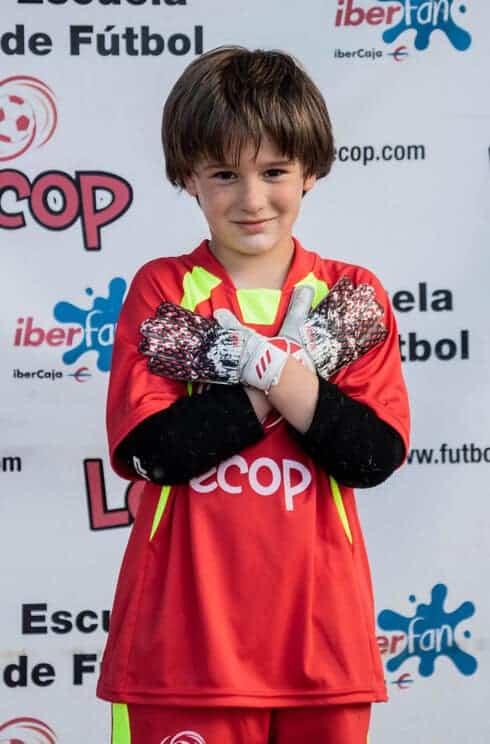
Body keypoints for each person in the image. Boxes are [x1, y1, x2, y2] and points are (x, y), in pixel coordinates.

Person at [97, 46, 410, 744]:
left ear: (311, 171)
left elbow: (371, 454)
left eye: (274, 172)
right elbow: (155, 451)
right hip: (180, 652)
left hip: (320, 648)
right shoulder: (163, 291)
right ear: (188, 178)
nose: (252, 198)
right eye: (224, 174)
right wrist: (280, 369)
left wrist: (269, 368)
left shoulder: (352, 296)